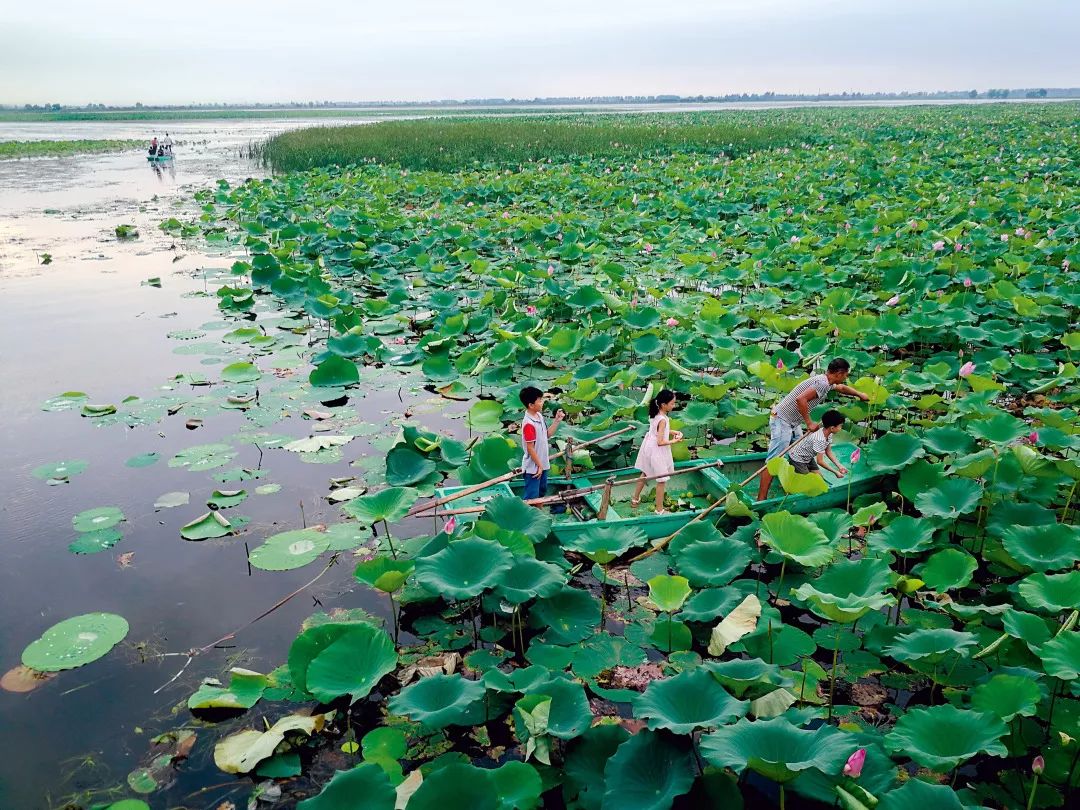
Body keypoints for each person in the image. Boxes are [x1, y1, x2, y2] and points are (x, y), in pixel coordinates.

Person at [757, 358, 869, 501]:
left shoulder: (827, 381)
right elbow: (800, 399)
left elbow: (841, 388)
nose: (846, 378)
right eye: (846, 375)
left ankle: (796, 483)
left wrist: (860, 395)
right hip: (782, 420)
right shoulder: (822, 384)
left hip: (793, 421)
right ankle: (761, 499)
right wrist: (809, 422)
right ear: (839, 373)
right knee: (774, 461)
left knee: (801, 450)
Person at [630, 389, 683, 514]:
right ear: (664, 405)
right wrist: (674, 441)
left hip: (648, 446)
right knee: (661, 479)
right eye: (672, 403)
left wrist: (673, 432)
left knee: (645, 473)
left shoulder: (655, 413)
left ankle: (635, 499)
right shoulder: (663, 419)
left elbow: (657, 430)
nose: (674, 406)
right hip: (656, 450)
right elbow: (660, 442)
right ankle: (659, 509)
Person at [520, 386, 565, 501]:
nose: (542, 402)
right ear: (531, 405)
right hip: (533, 468)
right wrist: (539, 466)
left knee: (541, 494)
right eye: (539, 400)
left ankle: (539, 514)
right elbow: (530, 448)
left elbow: (547, 435)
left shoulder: (539, 416)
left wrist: (557, 421)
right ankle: (530, 517)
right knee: (532, 498)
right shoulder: (528, 424)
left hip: (543, 464)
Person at [788, 409, 847, 479]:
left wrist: (839, 466)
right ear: (832, 428)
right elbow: (820, 461)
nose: (841, 428)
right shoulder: (820, 440)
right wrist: (835, 472)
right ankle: (793, 470)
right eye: (840, 426)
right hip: (797, 458)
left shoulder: (828, 433)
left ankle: (799, 471)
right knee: (808, 482)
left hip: (808, 457)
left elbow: (828, 452)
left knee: (819, 478)